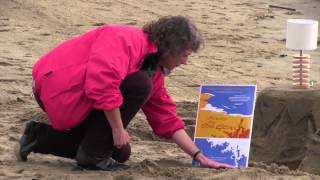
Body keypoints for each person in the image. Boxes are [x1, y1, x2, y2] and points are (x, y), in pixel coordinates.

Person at [16, 15, 233, 170]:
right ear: (171, 48)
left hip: (80, 96)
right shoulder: (126, 39)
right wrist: (118, 129)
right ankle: (91, 156)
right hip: (57, 88)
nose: (186, 61)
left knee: (120, 153)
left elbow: (166, 118)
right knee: (139, 86)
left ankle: (39, 137)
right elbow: (101, 84)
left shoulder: (153, 68)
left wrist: (199, 155)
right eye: (185, 55)